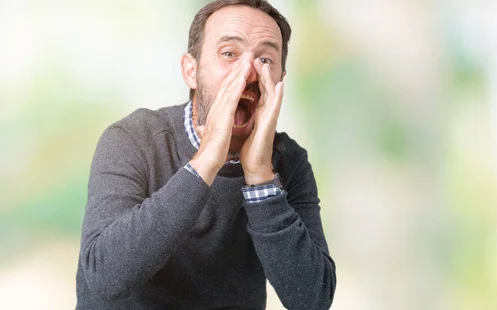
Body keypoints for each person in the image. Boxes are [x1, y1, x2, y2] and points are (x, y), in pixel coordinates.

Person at [74, 0, 336, 309]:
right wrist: (207, 160)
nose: (248, 71)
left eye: (266, 60)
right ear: (191, 71)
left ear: (280, 80)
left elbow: (312, 300)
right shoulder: (132, 139)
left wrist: (261, 180)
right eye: (229, 54)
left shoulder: (289, 163)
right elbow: (105, 276)